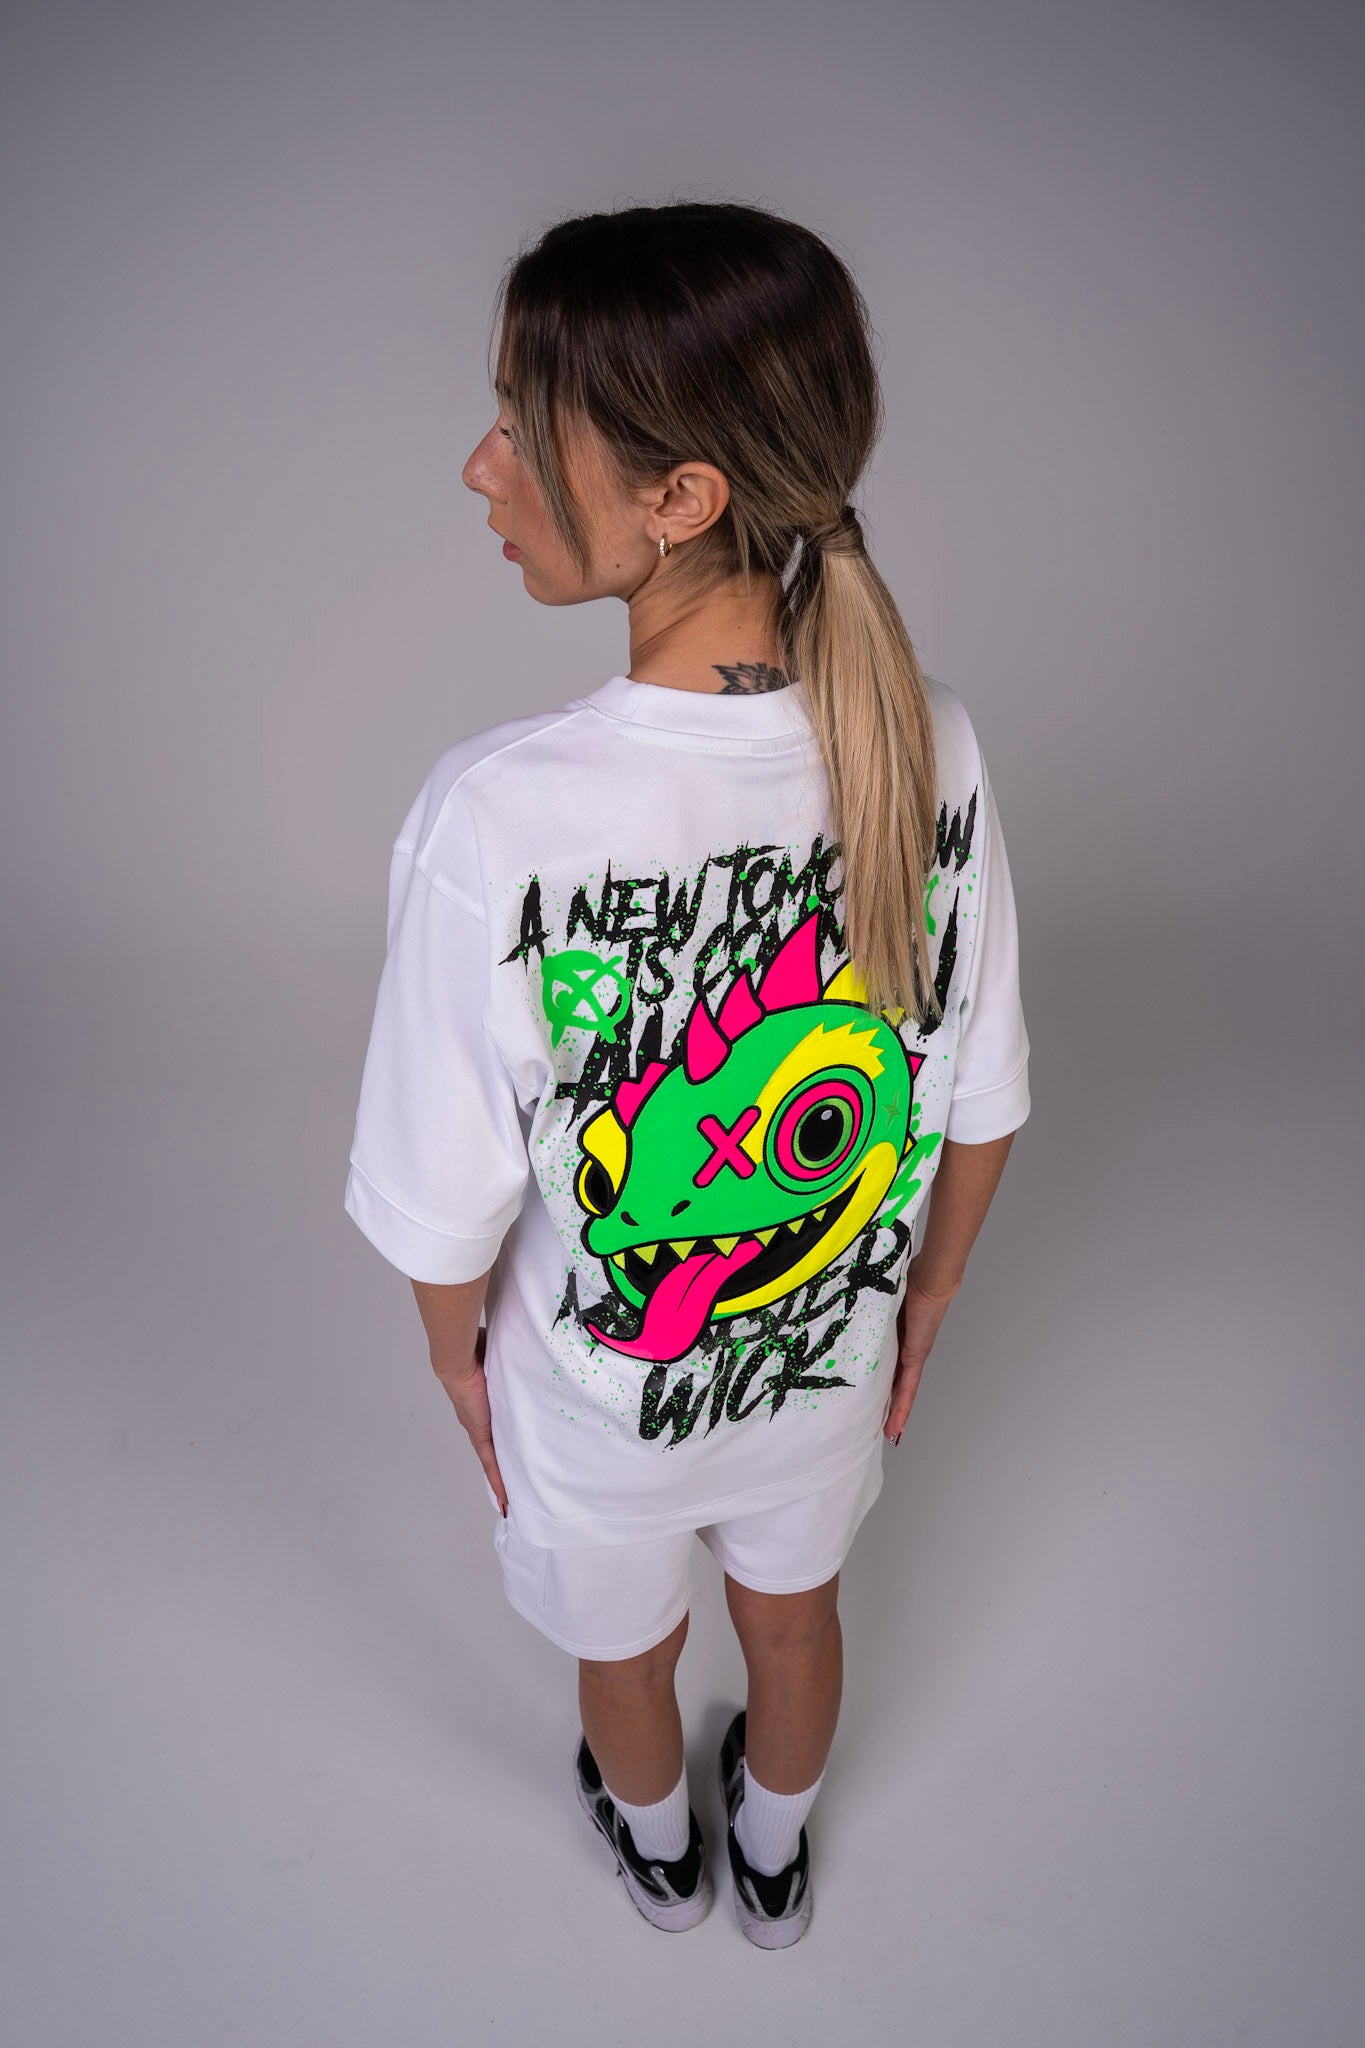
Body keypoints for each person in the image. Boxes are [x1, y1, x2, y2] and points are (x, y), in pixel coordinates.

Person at [343, 199, 1030, 1949]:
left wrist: (457, 1358)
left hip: (596, 1409)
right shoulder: (931, 738)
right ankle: (775, 1858)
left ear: (681, 497)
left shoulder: (496, 813)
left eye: (520, 425)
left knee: (625, 1654)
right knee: (792, 1626)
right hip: (826, 1370)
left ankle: (658, 1853)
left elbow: (438, 1199)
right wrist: (926, 1297)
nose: (480, 466)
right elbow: (976, 1092)